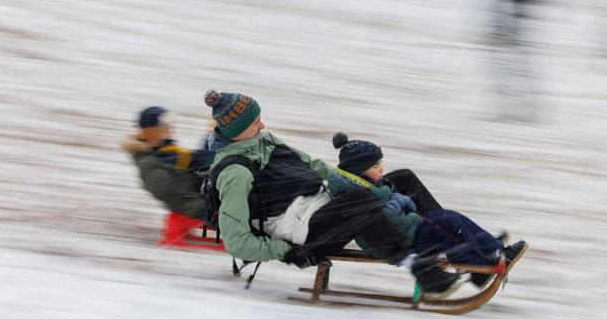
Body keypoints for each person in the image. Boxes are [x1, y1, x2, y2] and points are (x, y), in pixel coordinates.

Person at [204, 89, 475, 300]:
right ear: (237, 131)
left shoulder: (265, 142)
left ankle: (459, 246)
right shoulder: (235, 173)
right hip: (303, 237)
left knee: (401, 179)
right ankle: (424, 272)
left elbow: (316, 166)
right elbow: (236, 242)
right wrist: (287, 251)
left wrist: (355, 179)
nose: (262, 125)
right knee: (359, 201)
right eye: (255, 122)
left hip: (320, 205)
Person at [328, 133, 527, 287]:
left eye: (380, 163)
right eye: (375, 166)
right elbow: (382, 218)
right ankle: (480, 268)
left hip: (408, 227)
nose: (381, 169)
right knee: (450, 226)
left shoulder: (368, 184)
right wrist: (400, 201)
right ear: (358, 170)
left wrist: (398, 200)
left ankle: (495, 250)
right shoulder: (355, 192)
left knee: (451, 217)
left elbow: (388, 207)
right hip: (399, 240)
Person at [123, 106, 213, 219]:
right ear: (154, 132)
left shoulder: (165, 150)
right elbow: (178, 199)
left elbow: (192, 162)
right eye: (166, 127)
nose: (171, 128)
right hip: (203, 203)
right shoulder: (150, 166)